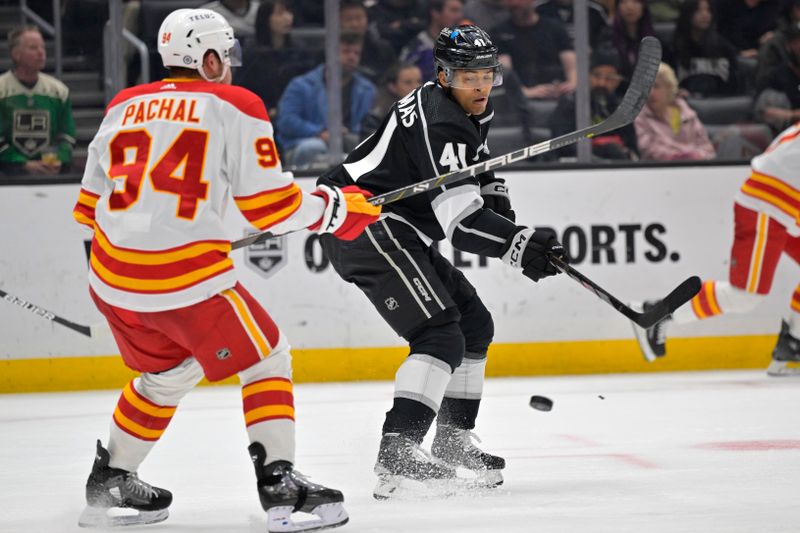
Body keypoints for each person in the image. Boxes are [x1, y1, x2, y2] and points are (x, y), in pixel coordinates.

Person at [71, 8, 380, 531]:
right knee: (266, 356)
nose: (231, 67)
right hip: (184, 280)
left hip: (111, 278)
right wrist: (337, 209)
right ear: (209, 59)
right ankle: (279, 484)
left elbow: (88, 208)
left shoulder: (122, 104)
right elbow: (270, 207)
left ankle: (111, 479)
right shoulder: (235, 103)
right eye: (227, 56)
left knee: (167, 373)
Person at [316, 24, 567, 498]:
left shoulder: (464, 106)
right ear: (444, 73)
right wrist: (517, 244)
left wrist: (511, 229)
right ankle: (399, 448)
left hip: (395, 225)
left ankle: (452, 441)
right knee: (438, 333)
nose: (480, 85)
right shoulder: (442, 119)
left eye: (487, 74)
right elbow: (462, 224)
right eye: (468, 76)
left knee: (474, 325)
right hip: (364, 222)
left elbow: (481, 174)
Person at [634, 122, 800, 377]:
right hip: (768, 208)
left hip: (782, 206)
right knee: (745, 296)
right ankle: (656, 313)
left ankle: (792, 346)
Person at [276, 32, 376, 167]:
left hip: (348, 144)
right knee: (314, 147)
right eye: (346, 52)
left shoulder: (367, 89)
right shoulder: (300, 85)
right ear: (330, 54)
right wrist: (319, 132)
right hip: (304, 143)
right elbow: (286, 121)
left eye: (356, 53)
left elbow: (368, 126)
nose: (352, 57)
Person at [0, 25, 76, 176]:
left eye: (43, 47)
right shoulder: (2, 89)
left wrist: (58, 159)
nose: (41, 52)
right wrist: (22, 164)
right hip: (6, 173)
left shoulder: (58, 91)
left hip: (50, 172)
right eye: (33, 48)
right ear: (16, 54)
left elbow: (67, 136)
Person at [547, 47, 638, 160]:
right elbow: (561, 145)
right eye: (597, 75)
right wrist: (600, 148)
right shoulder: (571, 103)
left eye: (609, 78)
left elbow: (632, 147)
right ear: (587, 75)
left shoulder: (622, 108)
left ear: (617, 81)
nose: (602, 83)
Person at [234, 0, 315, 116]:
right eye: (280, 13)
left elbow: (308, 83)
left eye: (289, 12)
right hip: (260, 114)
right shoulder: (251, 53)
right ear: (266, 18)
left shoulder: (299, 50)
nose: (288, 18)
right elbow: (244, 89)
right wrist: (267, 109)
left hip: (295, 112)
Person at [492, 0, 577, 99]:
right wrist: (526, 92)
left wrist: (572, 83)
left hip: (558, 91)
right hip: (523, 96)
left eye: (519, 3)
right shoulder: (500, 33)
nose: (515, 4)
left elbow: (571, 64)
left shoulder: (555, 28)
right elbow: (505, 72)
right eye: (512, 5)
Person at [634, 62, 716, 161]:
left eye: (656, 86)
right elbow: (647, 149)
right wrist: (677, 157)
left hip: (694, 167)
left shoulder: (686, 113)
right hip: (659, 170)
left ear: (669, 88)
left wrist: (696, 156)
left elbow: (706, 147)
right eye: (647, 87)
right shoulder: (640, 116)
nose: (650, 92)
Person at [670, 0, 740, 97]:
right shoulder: (673, 48)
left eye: (708, 10)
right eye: (698, 10)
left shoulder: (724, 48)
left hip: (719, 103)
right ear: (687, 13)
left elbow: (734, 85)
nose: (705, 15)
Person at [400, 0, 465, 81]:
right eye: (453, 10)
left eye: (460, 11)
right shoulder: (418, 47)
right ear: (435, 13)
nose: (459, 16)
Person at [340, 0, 397, 84]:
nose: (354, 24)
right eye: (349, 19)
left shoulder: (383, 50)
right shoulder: (327, 51)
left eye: (359, 18)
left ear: (367, 19)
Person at [362, 62, 423, 136]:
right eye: (408, 82)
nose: (416, 87)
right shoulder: (376, 118)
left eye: (419, 81)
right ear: (392, 87)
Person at [611, 0, 656, 86]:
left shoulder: (656, 42)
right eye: (623, 1)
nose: (629, 7)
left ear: (644, 5)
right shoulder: (607, 39)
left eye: (636, 1)